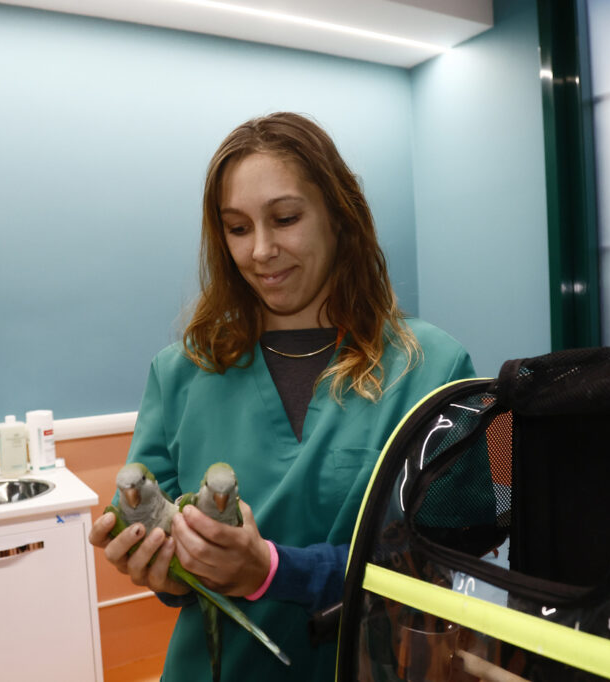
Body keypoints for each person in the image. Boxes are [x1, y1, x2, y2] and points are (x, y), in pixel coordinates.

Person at [89, 111, 476, 681]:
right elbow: (170, 562)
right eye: (238, 228)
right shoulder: (181, 375)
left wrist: (273, 571)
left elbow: (456, 567)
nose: (262, 251)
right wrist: (168, 569)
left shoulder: (431, 367)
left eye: (286, 218)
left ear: (340, 218)